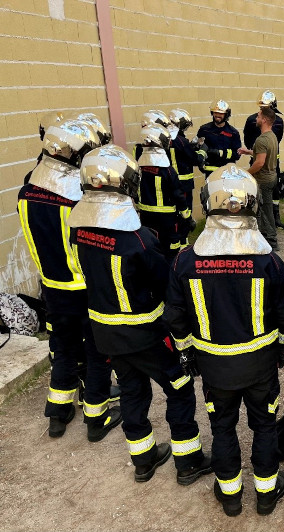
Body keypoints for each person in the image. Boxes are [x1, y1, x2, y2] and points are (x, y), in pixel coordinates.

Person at [69, 145, 211, 484]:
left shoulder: (79, 230)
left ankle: (143, 460)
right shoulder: (140, 241)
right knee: (178, 388)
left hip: (105, 334)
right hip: (146, 333)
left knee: (133, 391)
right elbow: (165, 287)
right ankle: (188, 461)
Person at [165, 164, 284, 517]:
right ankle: (267, 494)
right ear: (253, 205)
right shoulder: (270, 261)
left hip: (214, 367)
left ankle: (231, 497)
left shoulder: (185, 260)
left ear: (208, 203)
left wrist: (187, 351)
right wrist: (281, 348)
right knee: (264, 425)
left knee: (222, 428)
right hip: (260, 364)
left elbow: (175, 316)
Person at [18, 118, 121, 441]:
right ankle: (96, 416)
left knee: (62, 349)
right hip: (84, 289)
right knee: (97, 351)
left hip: (52, 287)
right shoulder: (76, 198)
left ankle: (58, 412)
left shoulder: (27, 189)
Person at [136, 123, 195, 262]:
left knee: (150, 246)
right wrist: (187, 218)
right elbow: (178, 196)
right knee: (171, 249)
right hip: (167, 218)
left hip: (145, 216)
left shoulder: (139, 167)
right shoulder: (167, 171)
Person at [243, 90, 284, 230]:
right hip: (260, 161)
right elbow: (247, 138)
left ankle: (275, 219)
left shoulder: (278, 122)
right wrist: (253, 151)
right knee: (261, 193)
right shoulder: (252, 120)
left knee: (273, 193)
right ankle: (265, 223)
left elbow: (277, 140)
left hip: (271, 162)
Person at [238, 106, 280, 251]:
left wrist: (246, 174)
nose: (256, 119)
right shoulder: (272, 136)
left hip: (263, 180)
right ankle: (265, 237)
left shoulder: (262, 139)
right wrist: (249, 151)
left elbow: (260, 162)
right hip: (271, 177)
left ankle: (271, 240)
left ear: (264, 120)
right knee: (264, 209)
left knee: (265, 210)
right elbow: (262, 154)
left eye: (258, 116)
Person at [168, 109, 200, 248]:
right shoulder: (181, 141)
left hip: (169, 184)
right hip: (184, 185)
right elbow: (194, 159)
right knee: (185, 214)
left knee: (174, 214)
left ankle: (178, 243)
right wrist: (201, 150)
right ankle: (183, 244)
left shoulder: (164, 138)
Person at [196, 100, 242, 177]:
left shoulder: (233, 132)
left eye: (221, 113)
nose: (217, 115)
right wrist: (200, 161)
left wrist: (220, 153)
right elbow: (197, 147)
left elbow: (237, 154)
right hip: (210, 172)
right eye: (215, 112)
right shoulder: (204, 129)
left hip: (227, 173)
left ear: (226, 115)